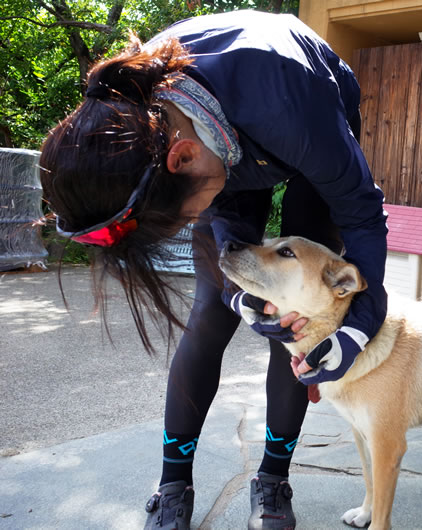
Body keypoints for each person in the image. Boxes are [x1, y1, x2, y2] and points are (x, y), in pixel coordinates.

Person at [39, 10, 388, 530]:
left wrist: (359, 325)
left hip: (300, 105)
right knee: (212, 310)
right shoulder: (147, 135)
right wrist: (239, 295)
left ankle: (273, 479)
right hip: (214, 138)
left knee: (300, 319)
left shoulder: (290, 104)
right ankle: (173, 482)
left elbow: (361, 214)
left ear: (182, 159)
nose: (192, 224)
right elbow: (222, 221)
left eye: (184, 218)